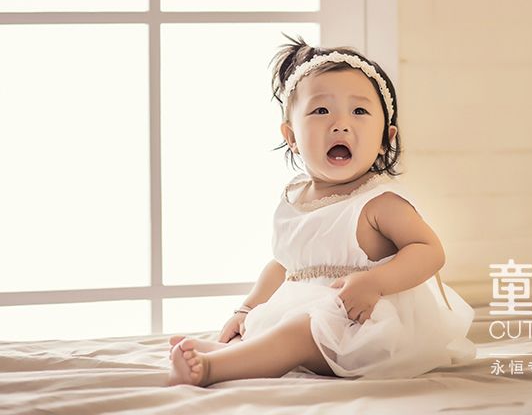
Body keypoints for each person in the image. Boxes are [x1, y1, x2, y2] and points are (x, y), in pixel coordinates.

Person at [168, 33, 477, 387]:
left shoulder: (378, 202)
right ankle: (233, 350)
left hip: (366, 325)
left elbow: (429, 251)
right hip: (313, 317)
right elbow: (283, 265)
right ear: (291, 137)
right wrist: (247, 309)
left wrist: (375, 282)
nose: (341, 124)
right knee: (272, 326)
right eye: (321, 110)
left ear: (385, 139)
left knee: (300, 332)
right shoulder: (294, 199)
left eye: (359, 111)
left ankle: (213, 368)